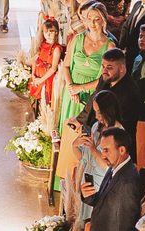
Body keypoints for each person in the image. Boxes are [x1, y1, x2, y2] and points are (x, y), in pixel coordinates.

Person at [81, 127, 140, 231]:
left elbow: (127, 225)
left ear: (122, 150)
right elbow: (103, 202)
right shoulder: (115, 168)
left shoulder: (128, 182)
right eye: (102, 150)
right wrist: (88, 195)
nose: (102, 155)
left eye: (106, 150)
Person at [58, 2, 114, 137]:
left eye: (96, 19)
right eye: (89, 19)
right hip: (71, 92)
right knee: (67, 130)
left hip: (91, 94)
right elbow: (66, 66)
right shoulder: (77, 39)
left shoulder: (109, 45)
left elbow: (105, 78)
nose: (92, 23)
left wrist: (81, 88)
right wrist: (71, 88)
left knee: (84, 134)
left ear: (103, 21)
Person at [69, 90, 123, 231]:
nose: (97, 116)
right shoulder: (96, 127)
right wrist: (74, 145)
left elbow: (111, 169)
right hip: (87, 182)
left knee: (93, 226)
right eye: (95, 112)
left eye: (99, 112)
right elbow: (83, 158)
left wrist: (93, 149)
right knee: (83, 226)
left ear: (108, 111)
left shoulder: (119, 135)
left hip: (101, 186)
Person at [71, 48, 140, 155]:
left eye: (109, 67)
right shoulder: (105, 79)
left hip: (112, 146)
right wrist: (80, 120)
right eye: (103, 66)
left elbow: (123, 127)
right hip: (94, 133)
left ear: (121, 68)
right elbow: (93, 98)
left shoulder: (130, 92)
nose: (104, 71)